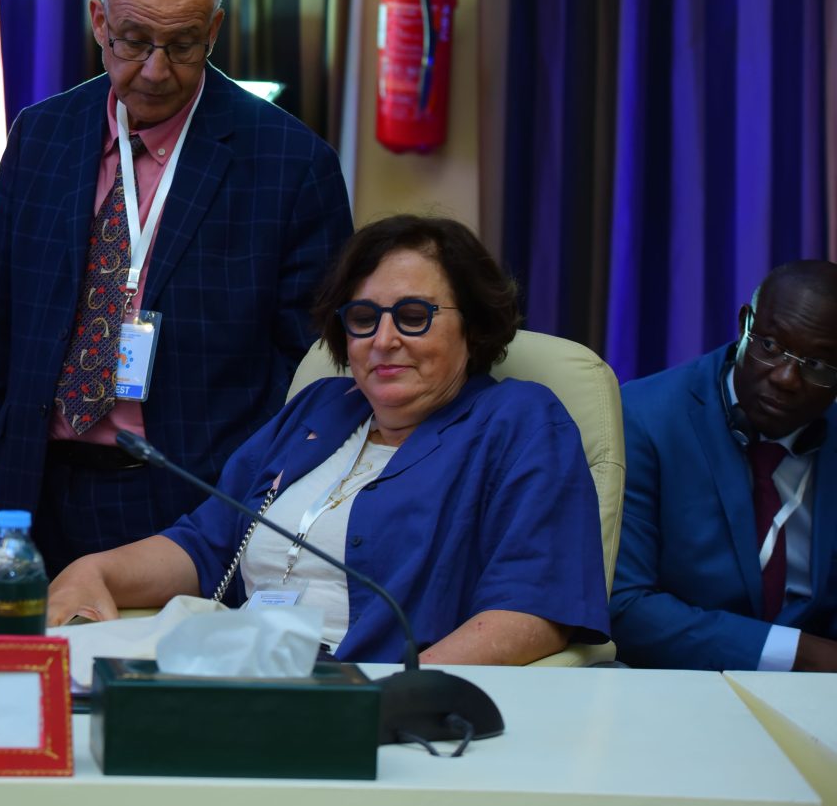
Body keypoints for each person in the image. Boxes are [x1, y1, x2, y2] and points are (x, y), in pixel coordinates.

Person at [0, 0, 353, 585]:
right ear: (99, 21)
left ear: (214, 29)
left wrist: (251, 508)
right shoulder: (41, 138)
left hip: (195, 507)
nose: (156, 70)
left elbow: (310, 378)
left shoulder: (290, 166)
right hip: (33, 496)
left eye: (183, 44)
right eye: (133, 40)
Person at [47, 215, 610, 663]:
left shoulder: (517, 422)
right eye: (363, 317)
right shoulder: (322, 408)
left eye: (413, 315)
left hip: (376, 698)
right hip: (243, 673)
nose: (382, 340)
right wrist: (95, 569)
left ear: (474, 324)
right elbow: (206, 544)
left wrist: (393, 695)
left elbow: (535, 610)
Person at [610, 260, 837, 671]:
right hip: (681, 682)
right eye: (771, 346)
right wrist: (801, 654)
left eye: (818, 365)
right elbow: (626, 607)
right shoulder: (645, 418)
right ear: (745, 324)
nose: (786, 378)